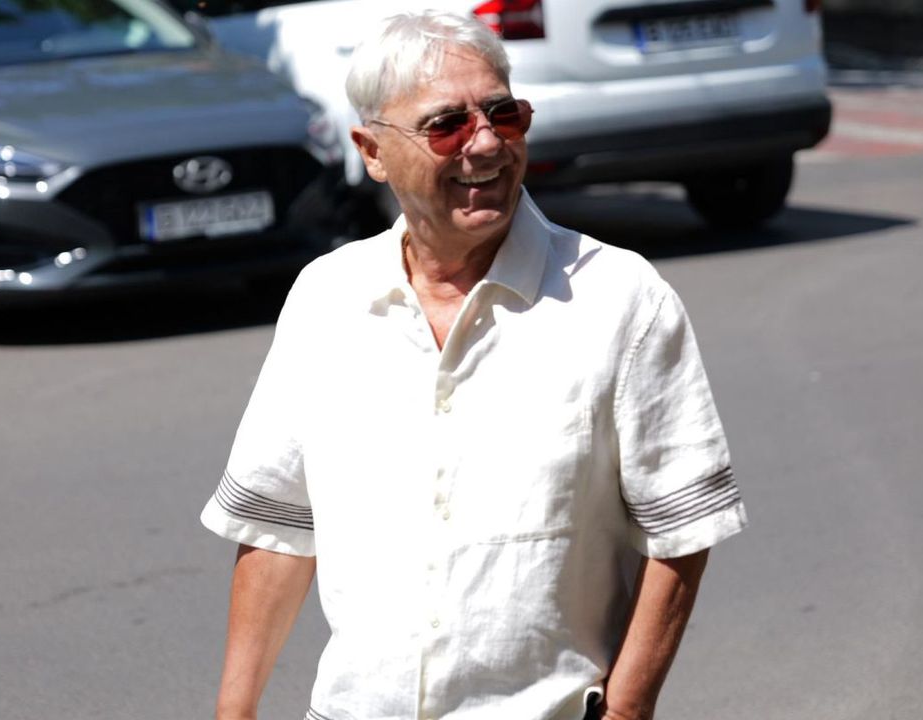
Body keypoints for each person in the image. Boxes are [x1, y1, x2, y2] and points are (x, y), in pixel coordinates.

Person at [200, 10, 747, 720]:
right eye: (447, 125)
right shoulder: (326, 300)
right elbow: (278, 527)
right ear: (372, 151)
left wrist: (625, 710)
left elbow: (681, 530)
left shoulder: (619, 299)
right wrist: (234, 712)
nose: (485, 143)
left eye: (503, 114)